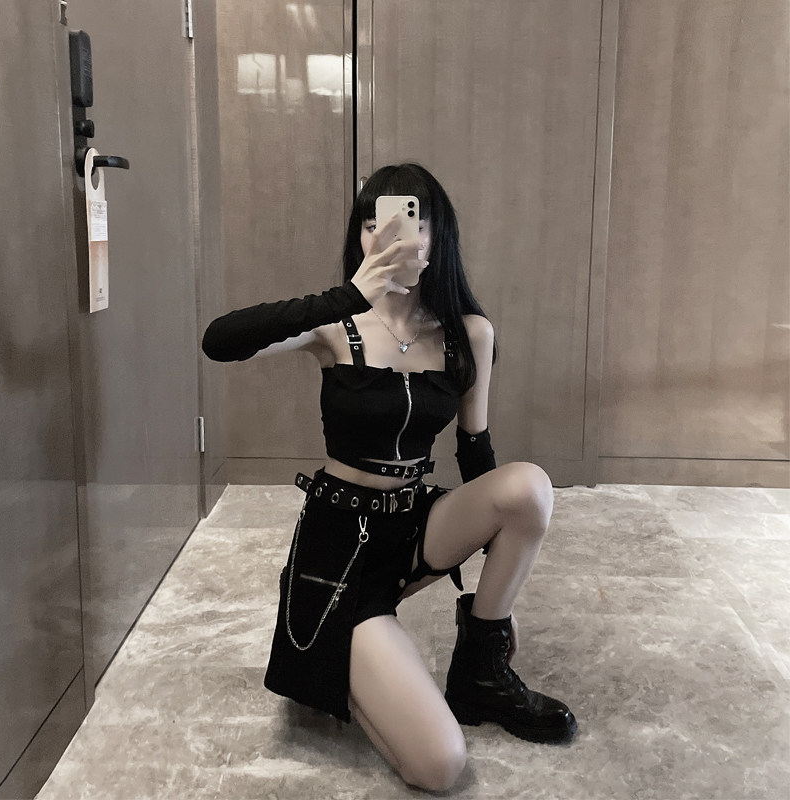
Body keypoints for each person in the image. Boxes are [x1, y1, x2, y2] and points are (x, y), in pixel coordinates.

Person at [202, 163, 577, 792]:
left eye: (409, 221)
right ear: (360, 236)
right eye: (372, 223)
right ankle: (357, 652)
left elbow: (475, 448)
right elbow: (220, 340)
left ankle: (481, 672)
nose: (389, 236)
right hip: (340, 548)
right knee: (440, 764)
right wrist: (350, 295)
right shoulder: (336, 326)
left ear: (436, 236)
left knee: (528, 488)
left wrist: (494, 577)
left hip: (414, 526)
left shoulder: (469, 334)